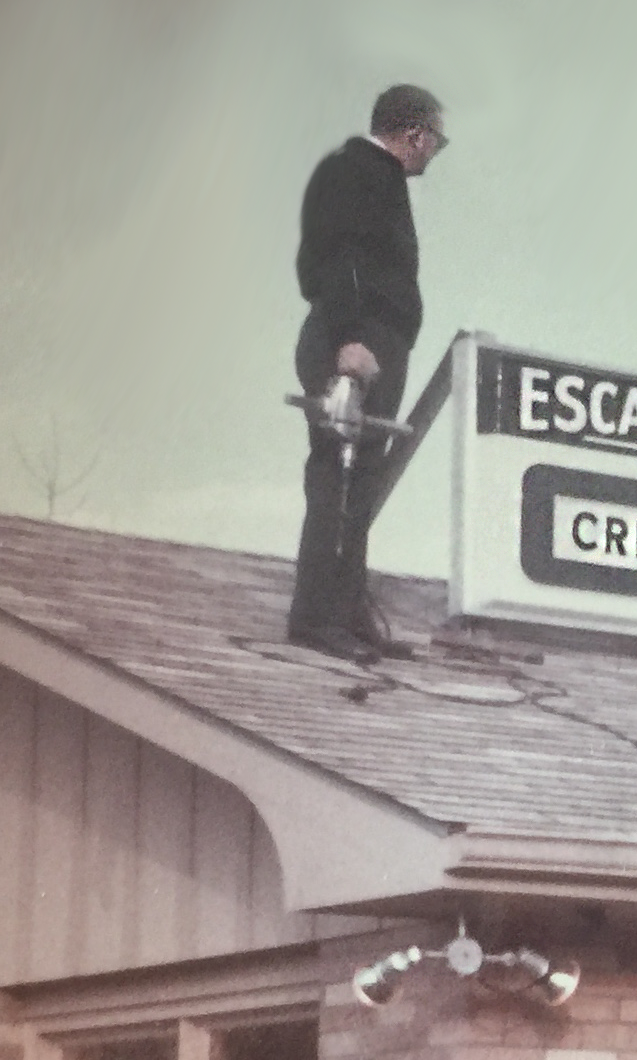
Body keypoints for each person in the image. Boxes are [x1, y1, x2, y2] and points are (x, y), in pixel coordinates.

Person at [287, 84, 448, 661]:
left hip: (377, 345)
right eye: (436, 141)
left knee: (365, 478)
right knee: (335, 470)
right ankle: (313, 616)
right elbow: (328, 259)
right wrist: (349, 339)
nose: (434, 152)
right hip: (349, 343)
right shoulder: (352, 171)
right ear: (415, 134)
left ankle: (348, 610)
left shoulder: (380, 180)